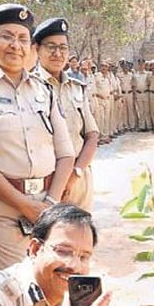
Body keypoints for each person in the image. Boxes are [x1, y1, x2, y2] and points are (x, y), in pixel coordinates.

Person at [0, 3, 75, 271]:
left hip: (47, 204)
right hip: (2, 210)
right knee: (22, 287)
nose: (15, 46)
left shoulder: (44, 89)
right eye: (7, 36)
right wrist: (25, 205)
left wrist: (50, 204)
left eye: (22, 38)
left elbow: (66, 153)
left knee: (52, 282)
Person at [32, 17, 99, 212]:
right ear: (37, 50)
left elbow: (92, 135)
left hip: (79, 178)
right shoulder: (28, 87)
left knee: (82, 237)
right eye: (51, 47)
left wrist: (76, 173)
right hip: (45, 181)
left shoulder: (76, 88)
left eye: (63, 47)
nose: (57, 53)